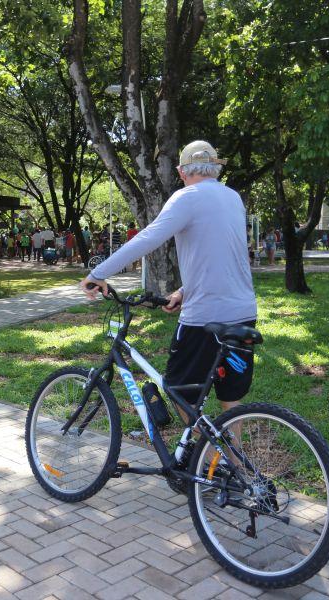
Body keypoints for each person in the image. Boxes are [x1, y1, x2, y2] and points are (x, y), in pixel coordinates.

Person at [80, 140, 257, 470]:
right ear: (216, 168)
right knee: (231, 399)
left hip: (205, 318)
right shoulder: (233, 198)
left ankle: (204, 462)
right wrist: (184, 290)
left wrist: (98, 273)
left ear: (181, 171)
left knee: (176, 388)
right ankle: (234, 469)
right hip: (244, 312)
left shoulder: (186, 197)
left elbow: (148, 238)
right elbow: (222, 257)